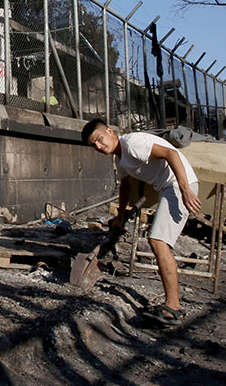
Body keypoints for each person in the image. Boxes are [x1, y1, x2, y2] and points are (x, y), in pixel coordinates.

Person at [81, 118, 201, 326]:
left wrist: (184, 189)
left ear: (110, 131)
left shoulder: (133, 143)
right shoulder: (121, 159)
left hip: (178, 186)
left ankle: (173, 307)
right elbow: (125, 186)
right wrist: (120, 216)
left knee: (158, 241)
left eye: (100, 139)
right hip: (167, 188)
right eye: (94, 145)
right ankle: (172, 305)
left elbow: (171, 153)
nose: (99, 147)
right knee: (158, 241)